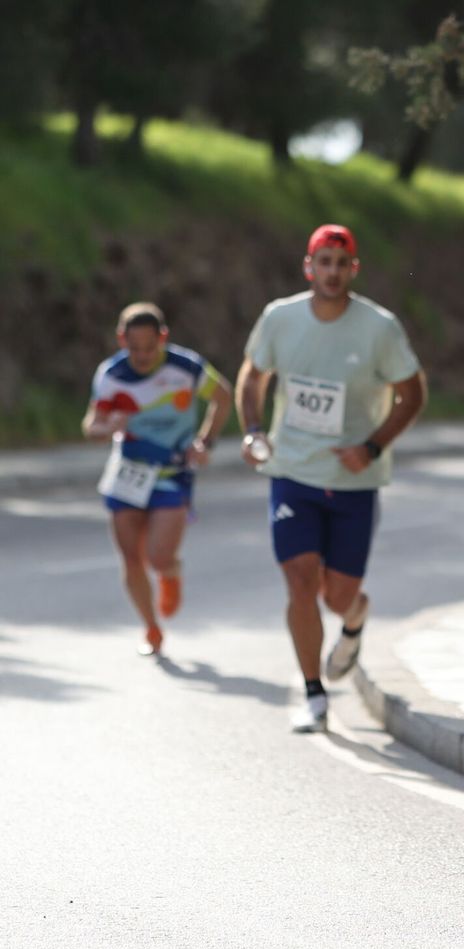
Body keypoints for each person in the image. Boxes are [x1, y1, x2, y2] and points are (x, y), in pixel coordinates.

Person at [234, 224, 428, 733]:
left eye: (342, 264)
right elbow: (253, 376)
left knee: (336, 597)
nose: (333, 272)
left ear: (353, 270)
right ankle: (314, 694)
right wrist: (254, 432)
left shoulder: (379, 328)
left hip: (353, 480)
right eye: (324, 262)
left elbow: (413, 394)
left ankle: (356, 617)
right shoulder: (280, 317)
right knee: (300, 580)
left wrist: (371, 447)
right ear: (309, 267)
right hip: (293, 471)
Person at [82, 302, 233, 657]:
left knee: (158, 557)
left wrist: (205, 441)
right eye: (134, 348)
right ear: (121, 340)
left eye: (151, 348)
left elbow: (223, 397)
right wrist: (107, 429)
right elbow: (91, 426)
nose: (143, 356)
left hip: (172, 473)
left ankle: (170, 571)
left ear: (163, 338)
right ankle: (151, 627)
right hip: (128, 473)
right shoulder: (111, 374)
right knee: (130, 558)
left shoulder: (187, 367)